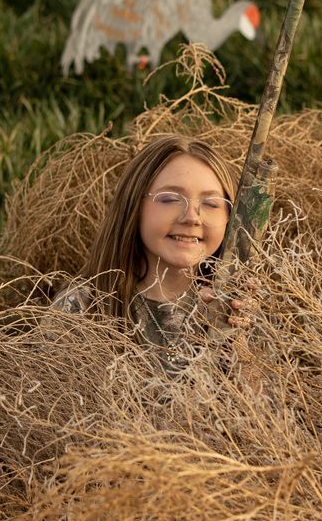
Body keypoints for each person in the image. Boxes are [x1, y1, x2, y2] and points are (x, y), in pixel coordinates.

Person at [54, 134, 244, 358]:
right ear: (134, 206)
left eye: (211, 203)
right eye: (170, 199)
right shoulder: (81, 308)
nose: (192, 217)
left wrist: (237, 340)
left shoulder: (240, 307)